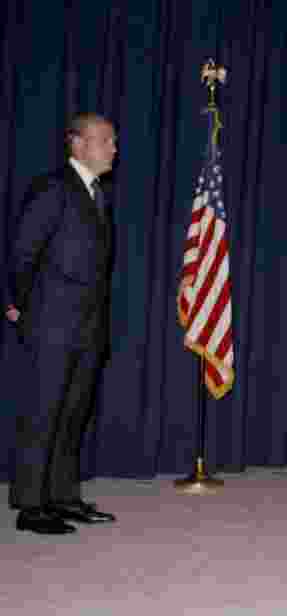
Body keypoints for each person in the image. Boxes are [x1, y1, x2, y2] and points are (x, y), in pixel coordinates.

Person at [5, 112, 119, 534]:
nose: (113, 149)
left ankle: (63, 496)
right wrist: (21, 305)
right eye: (105, 140)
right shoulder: (53, 189)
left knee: (73, 414)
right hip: (52, 323)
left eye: (113, 141)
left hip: (88, 325)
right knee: (43, 413)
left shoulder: (96, 193)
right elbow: (22, 254)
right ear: (77, 144)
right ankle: (31, 506)